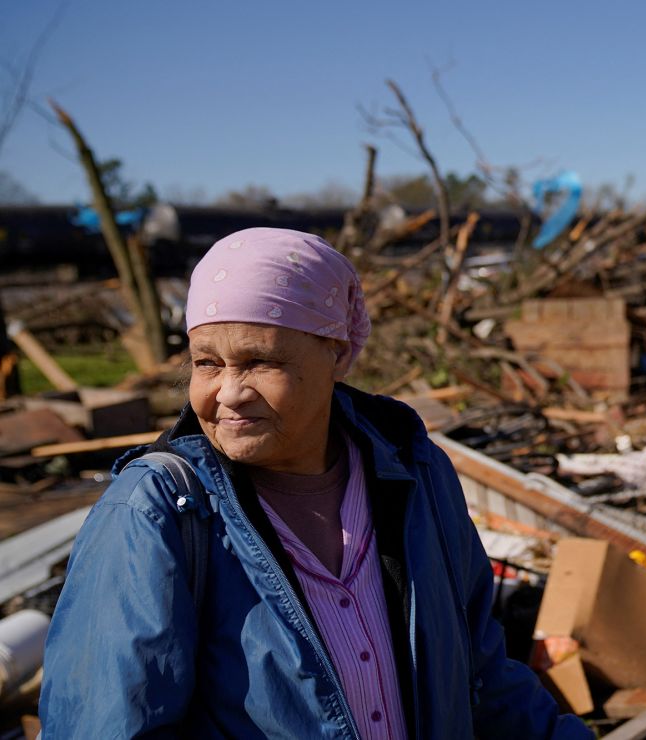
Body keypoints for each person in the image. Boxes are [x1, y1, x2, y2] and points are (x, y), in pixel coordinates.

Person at [41, 227, 592, 739]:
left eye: (259, 361)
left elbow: (479, 677)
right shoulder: (158, 514)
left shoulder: (415, 474)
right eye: (207, 363)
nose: (228, 392)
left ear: (337, 352)